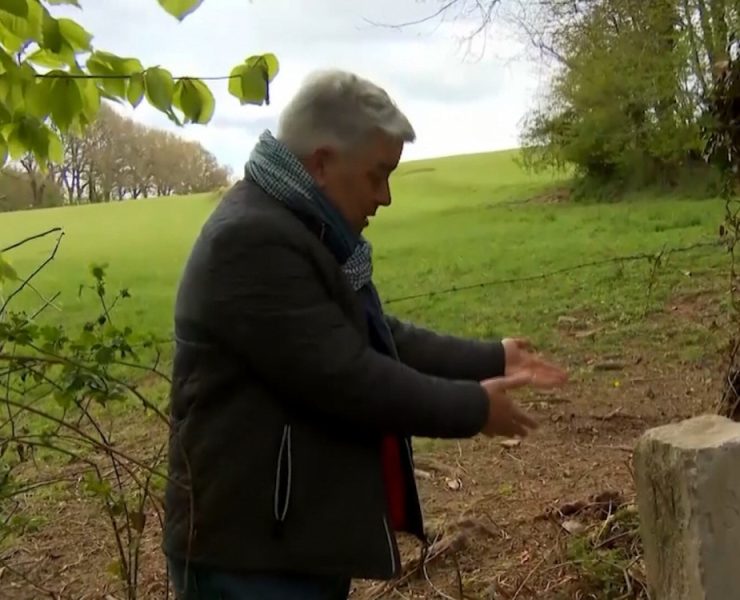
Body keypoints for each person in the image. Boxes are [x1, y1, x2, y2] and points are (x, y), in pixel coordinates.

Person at [163, 69, 568, 600]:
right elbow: (345, 375)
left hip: (287, 538)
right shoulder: (252, 240)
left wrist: (491, 358)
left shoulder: (300, 225)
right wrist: (472, 408)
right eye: (377, 176)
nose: (386, 197)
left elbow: (373, 335)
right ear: (323, 162)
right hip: (247, 556)